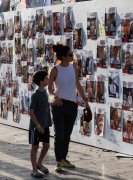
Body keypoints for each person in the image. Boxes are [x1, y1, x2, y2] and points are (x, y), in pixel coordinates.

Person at [48, 44, 89, 172]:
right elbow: (49, 89)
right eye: (70, 54)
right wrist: (55, 97)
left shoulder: (73, 68)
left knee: (67, 134)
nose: (72, 56)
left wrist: (85, 100)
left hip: (72, 105)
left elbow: (77, 85)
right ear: (64, 57)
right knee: (59, 134)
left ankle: (63, 159)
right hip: (59, 106)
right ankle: (59, 161)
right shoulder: (54, 70)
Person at [29, 70, 51, 178]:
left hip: (45, 125)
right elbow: (31, 112)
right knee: (35, 147)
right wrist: (38, 126)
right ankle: (34, 170)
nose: (48, 79)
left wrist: (52, 103)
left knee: (46, 146)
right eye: (47, 78)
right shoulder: (35, 96)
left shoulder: (45, 93)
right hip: (36, 127)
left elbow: (45, 106)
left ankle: (39, 163)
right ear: (42, 82)